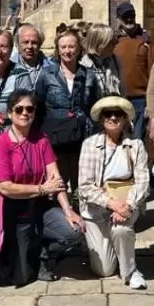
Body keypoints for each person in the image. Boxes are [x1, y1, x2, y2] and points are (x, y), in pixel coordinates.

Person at [0, 90, 85, 286]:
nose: (24, 113)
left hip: (38, 207)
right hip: (9, 210)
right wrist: (42, 189)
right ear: (10, 114)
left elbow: (56, 180)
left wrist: (68, 210)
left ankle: (44, 257)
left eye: (29, 109)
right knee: (18, 275)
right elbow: (5, 187)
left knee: (74, 231)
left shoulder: (41, 140)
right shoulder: (1, 145)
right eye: (19, 109)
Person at [77, 96, 150, 289]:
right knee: (105, 270)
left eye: (118, 114)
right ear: (101, 119)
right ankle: (111, 250)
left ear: (125, 118)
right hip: (96, 208)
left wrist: (127, 206)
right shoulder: (89, 145)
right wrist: (112, 204)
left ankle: (130, 271)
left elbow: (143, 181)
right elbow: (84, 187)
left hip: (127, 203)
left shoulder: (136, 145)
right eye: (107, 114)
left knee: (121, 229)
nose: (113, 118)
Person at [36, 29, 100, 193]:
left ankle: (79, 210)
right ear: (58, 50)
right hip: (55, 135)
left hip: (81, 135)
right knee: (59, 179)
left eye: (71, 46)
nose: (67, 51)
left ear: (79, 48)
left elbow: (95, 105)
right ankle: (61, 212)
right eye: (63, 47)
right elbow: (39, 103)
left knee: (81, 178)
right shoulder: (47, 75)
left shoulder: (89, 75)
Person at [114, 3, 151, 139]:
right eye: (125, 17)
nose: (129, 20)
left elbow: (153, 71)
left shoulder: (145, 40)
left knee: (137, 140)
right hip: (118, 99)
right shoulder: (113, 40)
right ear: (118, 19)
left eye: (131, 16)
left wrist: (150, 101)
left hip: (140, 100)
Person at [82, 23, 123, 96]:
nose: (115, 44)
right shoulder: (84, 65)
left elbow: (122, 91)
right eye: (111, 42)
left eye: (115, 41)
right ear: (100, 43)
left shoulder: (115, 60)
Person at [12, 23, 49, 88]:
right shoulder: (9, 68)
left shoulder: (52, 69)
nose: (30, 46)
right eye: (25, 42)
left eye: (34, 43)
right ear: (17, 44)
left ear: (40, 44)